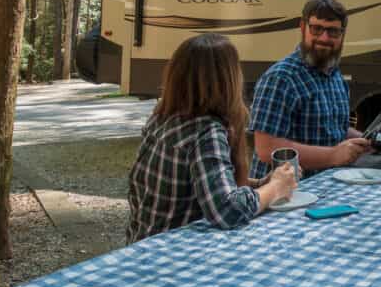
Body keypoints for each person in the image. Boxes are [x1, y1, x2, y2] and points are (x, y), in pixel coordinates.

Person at [127, 33, 297, 243]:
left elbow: (207, 182)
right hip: (173, 254)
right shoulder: (206, 132)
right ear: (228, 80)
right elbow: (227, 211)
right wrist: (274, 188)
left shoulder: (162, 118)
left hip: (141, 246)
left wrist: (262, 183)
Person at [249, 0, 371, 180]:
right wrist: (333, 155)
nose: (324, 37)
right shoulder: (281, 78)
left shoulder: (335, 75)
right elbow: (266, 149)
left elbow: (332, 128)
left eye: (333, 31)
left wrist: (367, 140)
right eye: (316, 29)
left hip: (325, 190)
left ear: (342, 34)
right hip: (285, 197)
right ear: (302, 27)